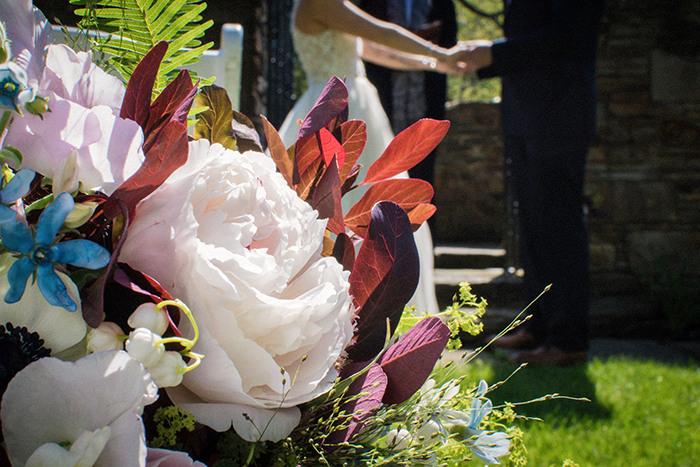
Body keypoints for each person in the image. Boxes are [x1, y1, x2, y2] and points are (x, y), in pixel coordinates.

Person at [278, 0, 467, 315]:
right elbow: (383, 33)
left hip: (350, 102)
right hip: (339, 110)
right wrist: (442, 53)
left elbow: (373, 50)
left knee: (372, 202)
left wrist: (434, 64)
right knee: (349, 208)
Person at [461, 0, 606, 365]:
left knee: (558, 227)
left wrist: (494, 53)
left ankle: (568, 340)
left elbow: (568, 37)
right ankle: (538, 326)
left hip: (559, 114)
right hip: (526, 115)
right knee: (533, 228)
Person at [359, 0, 457, 195]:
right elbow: (373, 43)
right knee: (380, 167)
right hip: (383, 95)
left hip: (425, 95)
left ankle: (422, 220)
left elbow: (449, 40)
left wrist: (435, 58)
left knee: (423, 170)